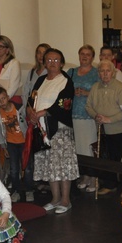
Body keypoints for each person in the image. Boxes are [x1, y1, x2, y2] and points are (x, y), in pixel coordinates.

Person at [27, 48, 78, 214]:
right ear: (44, 62)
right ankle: (55, 198)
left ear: (62, 63)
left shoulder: (65, 81)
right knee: (50, 165)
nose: (52, 63)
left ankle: (65, 200)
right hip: (42, 130)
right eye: (49, 60)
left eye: (56, 60)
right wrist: (31, 112)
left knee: (62, 165)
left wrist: (42, 112)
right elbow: (31, 99)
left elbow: (64, 104)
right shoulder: (41, 80)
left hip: (59, 130)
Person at [85, 60, 122, 195]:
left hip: (120, 130)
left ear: (113, 72)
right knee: (106, 159)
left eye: (108, 71)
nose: (105, 74)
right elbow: (88, 106)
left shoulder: (120, 88)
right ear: (98, 73)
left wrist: (109, 119)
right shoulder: (95, 87)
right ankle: (110, 185)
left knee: (121, 160)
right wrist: (96, 116)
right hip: (102, 130)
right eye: (102, 71)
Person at [0, 87, 33, 202]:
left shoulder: (19, 109)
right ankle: (16, 191)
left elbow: (28, 122)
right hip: (11, 144)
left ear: (8, 97)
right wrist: (3, 146)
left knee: (28, 168)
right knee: (14, 169)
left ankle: (29, 190)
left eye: (3, 98)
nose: (2, 102)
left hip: (24, 142)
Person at [68, 45, 100, 191]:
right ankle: (85, 176)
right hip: (73, 114)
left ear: (92, 57)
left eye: (88, 54)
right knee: (79, 149)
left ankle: (93, 179)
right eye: (82, 54)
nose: (85, 57)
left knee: (89, 148)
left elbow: (100, 93)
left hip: (89, 116)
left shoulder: (96, 73)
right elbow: (65, 90)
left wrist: (87, 93)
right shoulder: (72, 72)